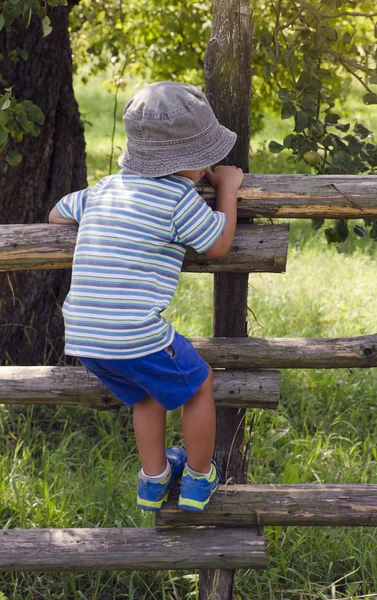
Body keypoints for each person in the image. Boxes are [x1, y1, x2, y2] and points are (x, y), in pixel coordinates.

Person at [48, 81, 243, 513]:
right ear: (190, 163)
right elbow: (217, 243)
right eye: (205, 158)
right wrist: (226, 188)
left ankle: (153, 481)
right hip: (132, 331)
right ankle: (197, 477)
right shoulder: (177, 198)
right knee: (198, 385)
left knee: (146, 393)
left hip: (83, 335)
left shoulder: (102, 190)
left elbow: (57, 213)